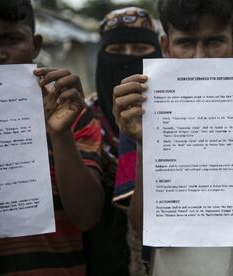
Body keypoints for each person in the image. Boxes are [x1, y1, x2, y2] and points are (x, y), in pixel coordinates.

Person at [112, 0, 233, 275]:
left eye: (214, 41)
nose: (200, 57)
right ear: (166, 46)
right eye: (185, 43)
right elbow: (145, 227)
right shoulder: (143, 112)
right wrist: (147, 145)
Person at [0, 0, 104, 274]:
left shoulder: (72, 114)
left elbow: (88, 217)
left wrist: (61, 137)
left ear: (35, 44)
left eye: (11, 39)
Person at [85, 6, 163, 276]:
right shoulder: (79, 120)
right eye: (116, 52)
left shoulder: (178, 119)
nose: (129, 59)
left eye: (141, 50)